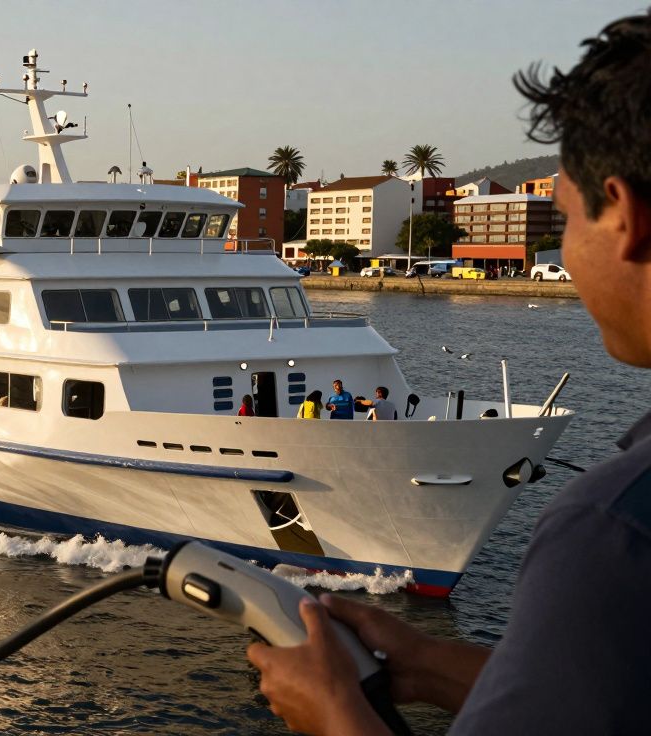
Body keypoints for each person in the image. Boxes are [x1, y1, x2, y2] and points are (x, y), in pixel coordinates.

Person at [247, 12, 651, 734]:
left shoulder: (613, 533)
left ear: (624, 215)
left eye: (563, 219)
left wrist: (334, 714)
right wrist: (431, 665)